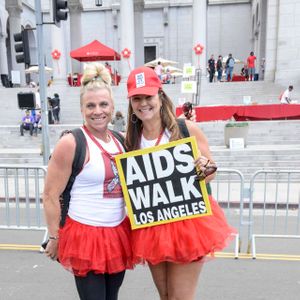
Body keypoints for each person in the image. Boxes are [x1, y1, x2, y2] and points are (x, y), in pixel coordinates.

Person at [125, 66, 236, 300]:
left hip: (187, 223)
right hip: (153, 226)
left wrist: (204, 167)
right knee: (165, 296)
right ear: (131, 103)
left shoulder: (186, 129)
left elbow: (212, 171)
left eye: (148, 96)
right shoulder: (131, 140)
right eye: (137, 98)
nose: (143, 103)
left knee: (180, 298)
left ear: (160, 95)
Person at [43, 62, 133, 300]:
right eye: (90, 105)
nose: (97, 111)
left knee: (111, 297)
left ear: (112, 106)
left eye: (103, 104)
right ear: (82, 109)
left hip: (117, 232)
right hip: (85, 234)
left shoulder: (121, 140)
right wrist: (54, 236)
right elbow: (50, 194)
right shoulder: (71, 142)